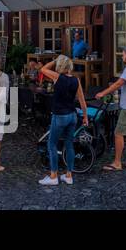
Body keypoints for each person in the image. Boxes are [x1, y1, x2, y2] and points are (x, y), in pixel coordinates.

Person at [37, 54, 88, 185]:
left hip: (59, 115)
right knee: (69, 144)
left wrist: (55, 60)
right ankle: (69, 175)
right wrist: (85, 117)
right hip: (72, 116)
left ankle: (53, 176)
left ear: (60, 66)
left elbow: (43, 69)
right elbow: (82, 100)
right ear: (69, 66)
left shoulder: (57, 77)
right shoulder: (76, 80)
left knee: (51, 144)